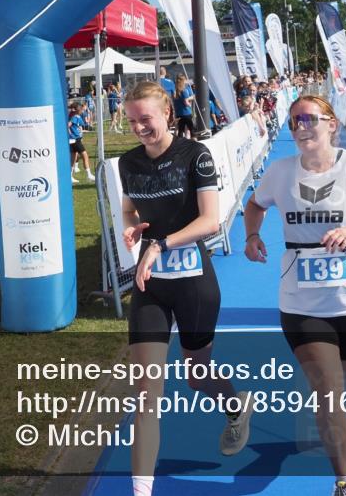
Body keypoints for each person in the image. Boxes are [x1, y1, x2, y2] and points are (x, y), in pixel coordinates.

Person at [243, 95, 346, 496]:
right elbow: (254, 205)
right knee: (327, 390)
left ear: (331, 124)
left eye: (310, 119)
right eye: (294, 121)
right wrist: (252, 235)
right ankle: (344, 480)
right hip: (302, 303)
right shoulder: (279, 172)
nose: (301, 127)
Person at [119, 82, 253, 496]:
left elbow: (210, 220)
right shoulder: (128, 163)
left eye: (147, 119)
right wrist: (131, 227)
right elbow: (129, 205)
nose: (140, 127)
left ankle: (236, 406)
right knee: (146, 392)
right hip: (150, 284)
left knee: (196, 376)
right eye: (132, 120)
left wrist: (160, 243)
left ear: (167, 116)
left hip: (194, 282)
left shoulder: (196, 155)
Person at [68, 102, 94, 183]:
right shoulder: (75, 117)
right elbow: (68, 125)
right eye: (81, 109)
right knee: (85, 155)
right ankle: (89, 175)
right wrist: (71, 133)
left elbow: (81, 126)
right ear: (77, 110)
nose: (82, 110)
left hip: (74, 139)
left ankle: (70, 176)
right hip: (75, 140)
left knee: (73, 157)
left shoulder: (75, 116)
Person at [173, 74, 195, 138]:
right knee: (191, 129)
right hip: (186, 113)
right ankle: (194, 143)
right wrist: (190, 105)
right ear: (183, 80)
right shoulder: (184, 90)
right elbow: (185, 102)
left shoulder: (176, 90)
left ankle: (180, 144)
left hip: (179, 113)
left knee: (180, 130)